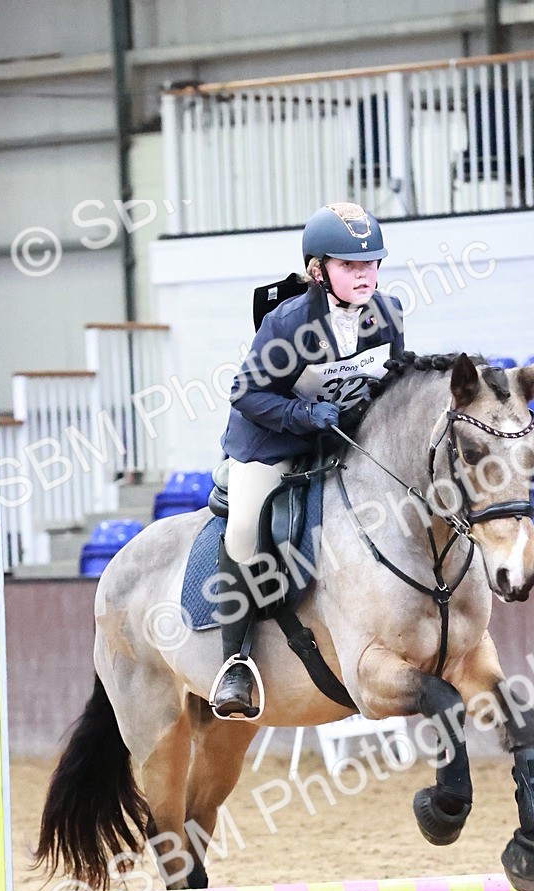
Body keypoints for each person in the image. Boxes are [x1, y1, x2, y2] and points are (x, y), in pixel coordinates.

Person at [210, 201, 405, 719]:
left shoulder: (387, 314)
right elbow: (245, 393)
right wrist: (302, 414)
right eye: (350, 265)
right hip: (271, 440)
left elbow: (393, 379)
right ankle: (235, 662)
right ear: (319, 270)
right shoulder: (287, 322)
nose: (365, 274)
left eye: (371, 263)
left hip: (337, 437)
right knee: (246, 525)